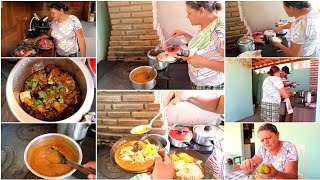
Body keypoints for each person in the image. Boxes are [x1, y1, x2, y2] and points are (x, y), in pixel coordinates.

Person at [172, 1, 225, 90]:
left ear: (201, 11)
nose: (187, 16)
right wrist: (185, 33)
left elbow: (231, 67)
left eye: (189, 13)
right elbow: (202, 45)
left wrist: (204, 63)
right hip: (197, 80)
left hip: (210, 86)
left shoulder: (219, 33)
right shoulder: (205, 24)